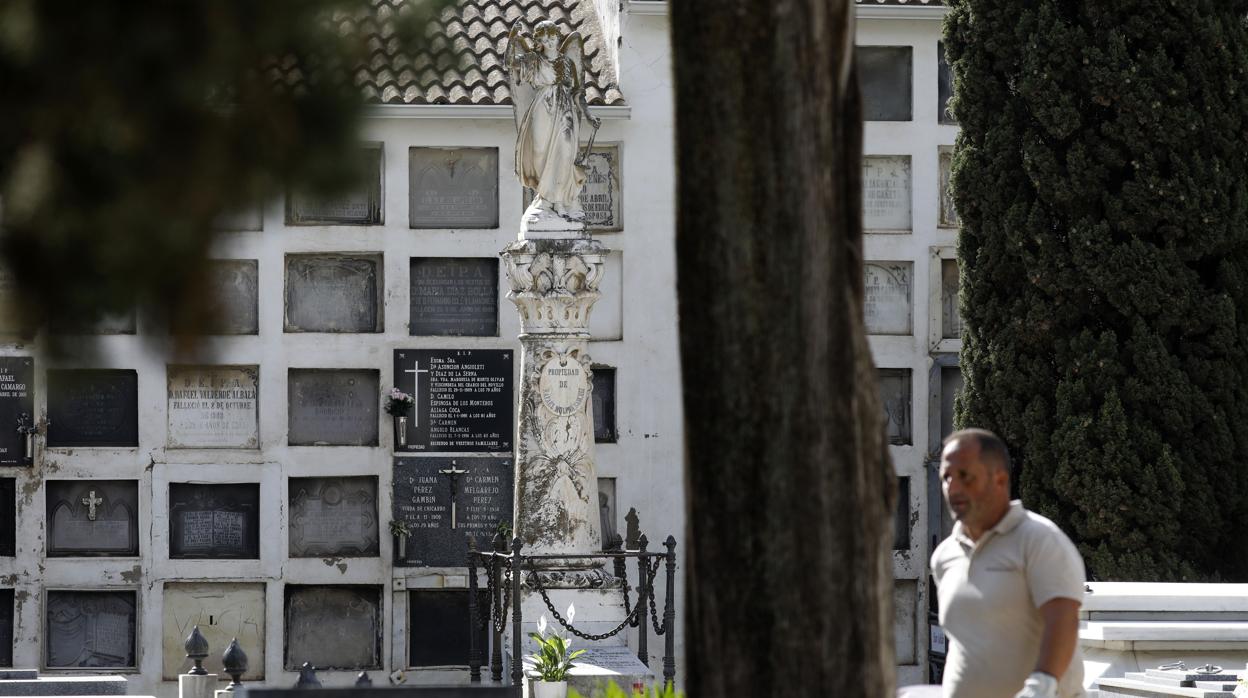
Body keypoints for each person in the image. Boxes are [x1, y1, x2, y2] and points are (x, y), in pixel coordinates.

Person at [931, 428, 1086, 698]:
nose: (953, 488)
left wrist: (1042, 686)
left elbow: (1063, 619)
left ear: (1000, 480)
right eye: (946, 477)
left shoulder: (1039, 540)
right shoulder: (944, 556)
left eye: (965, 476)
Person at [506, 20, 602, 220]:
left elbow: (578, 93)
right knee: (540, 151)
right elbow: (510, 63)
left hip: (565, 109)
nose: (549, 42)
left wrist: (588, 115)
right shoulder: (533, 59)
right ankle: (545, 198)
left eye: (553, 37)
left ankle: (559, 200)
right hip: (542, 108)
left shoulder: (567, 63)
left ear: (558, 38)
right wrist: (512, 38)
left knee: (565, 152)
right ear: (539, 41)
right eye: (545, 38)